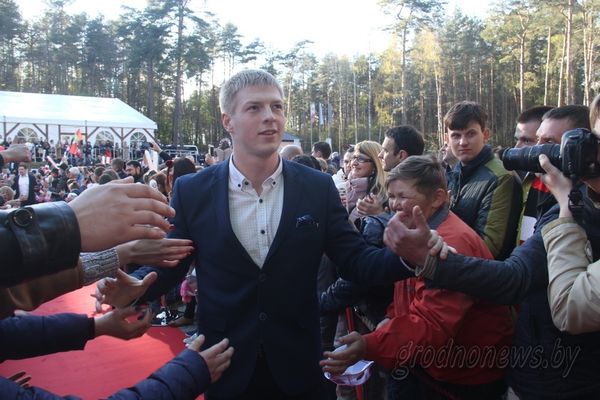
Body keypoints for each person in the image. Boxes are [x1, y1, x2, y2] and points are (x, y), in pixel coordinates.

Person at [95, 69, 427, 400]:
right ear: (228, 121)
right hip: (224, 363)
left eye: (276, 106)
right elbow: (172, 262)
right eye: (254, 107)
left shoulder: (317, 187)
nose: (270, 116)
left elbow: (355, 260)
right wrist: (135, 288)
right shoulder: (193, 190)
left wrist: (409, 256)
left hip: (300, 364)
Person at [382, 111, 600, 397]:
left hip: (564, 371)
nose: (533, 152)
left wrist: (432, 260)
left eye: (549, 144)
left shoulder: (566, 203)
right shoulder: (551, 193)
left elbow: (513, 273)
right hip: (532, 352)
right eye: (530, 140)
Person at [322, 156, 512, 399]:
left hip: (461, 375)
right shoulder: (414, 232)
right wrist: (390, 318)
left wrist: (370, 344)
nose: (394, 205)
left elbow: (433, 323)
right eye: (391, 196)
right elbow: (407, 293)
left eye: (403, 196)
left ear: (437, 198)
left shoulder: (451, 243)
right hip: (426, 364)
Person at [444, 101, 521, 260]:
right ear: (447, 139)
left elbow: (489, 248)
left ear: (485, 135)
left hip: (481, 271)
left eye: (470, 134)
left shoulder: (501, 177)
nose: (463, 142)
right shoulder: (454, 172)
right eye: (456, 135)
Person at [515, 105, 590, 245]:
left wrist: (566, 201)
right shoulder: (532, 180)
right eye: (537, 139)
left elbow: (531, 257)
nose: (537, 149)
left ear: (579, 149)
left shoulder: (584, 200)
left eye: (549, 142)